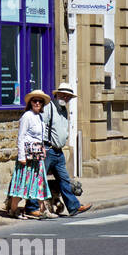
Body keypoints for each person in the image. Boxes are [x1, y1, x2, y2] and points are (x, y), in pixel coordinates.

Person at [42, 82, 91, 216]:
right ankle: (33, 207)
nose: (65, 98)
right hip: (48, 149)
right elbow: (41, 127)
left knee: (64, 180)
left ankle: (74, 207)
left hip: (58, 152)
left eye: (68, 96)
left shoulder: (63, 111)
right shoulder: (49, 108)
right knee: (40, 179)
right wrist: (42, 147)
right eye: (63, 95)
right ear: (57, 94)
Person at [5, 90, 52, 218]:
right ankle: (13, 210)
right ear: (30, 103)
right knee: (22, 185)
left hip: (37, 156)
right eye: (34, 101)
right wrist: (21, 157)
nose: (37, 103)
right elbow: (21, 137)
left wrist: (43, 148)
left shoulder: (40, 117)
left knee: (40, 183)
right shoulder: (27, 116)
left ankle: (44, 210)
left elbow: (39, 137)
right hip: (27, 156)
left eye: (40, 101)